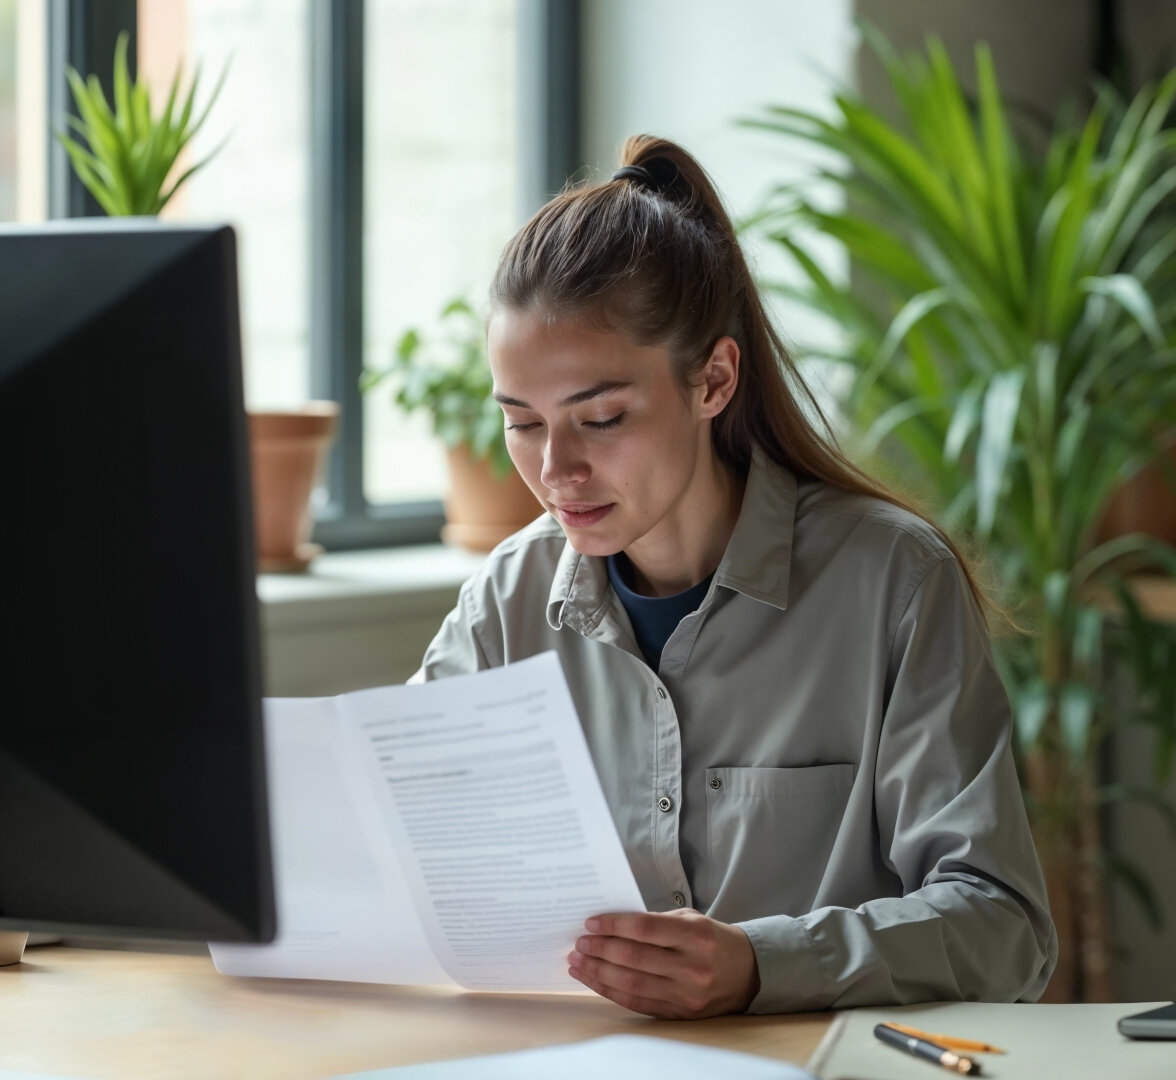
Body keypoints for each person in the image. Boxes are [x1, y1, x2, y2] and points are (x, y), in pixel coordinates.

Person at [412, 135, 1058, 1018]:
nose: (555, 469)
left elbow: (1003, 926)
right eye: (522, 423)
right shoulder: (506, 601)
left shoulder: (894, 584)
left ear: (713, 379)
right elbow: (405, 848)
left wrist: (761, 964)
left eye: (600, 418)